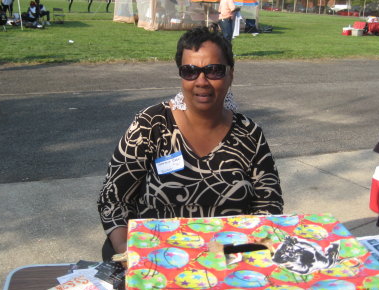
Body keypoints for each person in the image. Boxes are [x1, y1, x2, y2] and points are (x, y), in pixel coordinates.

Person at [98, 27, 283, 260]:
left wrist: (242, 257)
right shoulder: (151, 125)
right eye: (190, 71)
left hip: (229, 262)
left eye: (214, 71)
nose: (201, 81)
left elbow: (269, 205)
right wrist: (127, 250)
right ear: (180, 75)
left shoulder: (249, 134)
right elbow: (114, 198)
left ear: (231, 74)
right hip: (156, 258)